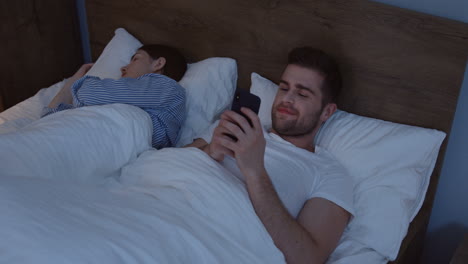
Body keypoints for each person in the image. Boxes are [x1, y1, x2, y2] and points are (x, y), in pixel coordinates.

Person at [189, 47, 354, 263]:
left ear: (327, 112)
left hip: (213, 244)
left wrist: (255, 171)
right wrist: (208, 152)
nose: (287, 98)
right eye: (284, 88)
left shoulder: (329, 173)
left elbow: (307, 257)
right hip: (166, 210)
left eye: (302, 94)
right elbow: (167, 164)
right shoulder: (235, 126)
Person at [43, 44, 187, 149]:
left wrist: (82, 82)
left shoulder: (167, 88)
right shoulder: (133, 99)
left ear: (159, 63)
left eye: (135, 59)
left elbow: (89, 94)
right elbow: (48, 118)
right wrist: (74, 79)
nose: (123, 68)